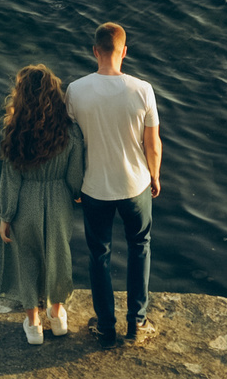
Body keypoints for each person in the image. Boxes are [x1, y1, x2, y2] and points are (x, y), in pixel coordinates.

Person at [67, 20, 161, 346]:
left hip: (94, 187)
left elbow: (71, 142)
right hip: (135, 185)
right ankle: (137, 324)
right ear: (125, 52)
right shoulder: (143, 90)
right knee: (140, 247)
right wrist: (155, 174)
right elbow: (153, 144)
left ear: (95, 51)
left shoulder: (75, 90)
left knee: (99, 255)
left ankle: (106, 326)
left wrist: (72, 182)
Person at [0, 64, 86, 345]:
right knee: (57, 256)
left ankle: (33, 323)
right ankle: (58, 314)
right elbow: (75, 176)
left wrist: (6, 215)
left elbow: (11, 180)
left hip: (26, 201)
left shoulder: (15, 132)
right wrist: (75, 192)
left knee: (26, 260)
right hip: (59, 201)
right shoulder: (70, 132)